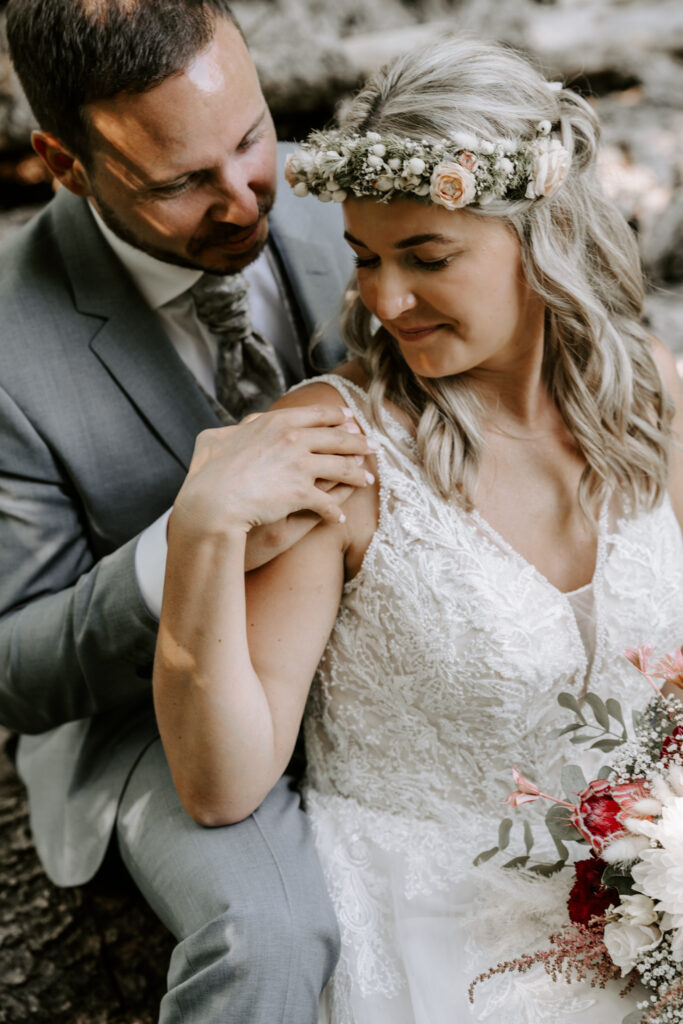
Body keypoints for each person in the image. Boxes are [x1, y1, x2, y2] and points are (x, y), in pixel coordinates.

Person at [153, 36, 683, 1023]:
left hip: (643, 904)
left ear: (540, 235)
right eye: (363, 258)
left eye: (425, 257)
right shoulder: (333, 451)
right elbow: (220, 785)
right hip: (438, 944)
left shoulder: (641, 388)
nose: (384, 300)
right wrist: (201, 539)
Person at [0, 1, 381, 1020]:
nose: (245, 198)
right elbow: (16, 667)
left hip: (393, 648)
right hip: (159, 727)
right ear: (64, 162)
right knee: (272, 934)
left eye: (253, 136)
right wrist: (189, 541)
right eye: (178, 181)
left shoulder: (342, 195)